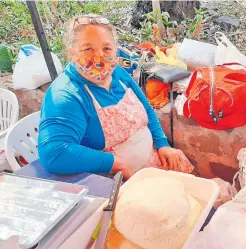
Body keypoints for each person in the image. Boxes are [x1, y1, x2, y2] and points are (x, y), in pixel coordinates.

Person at [37, 14, 193, 178]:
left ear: (115, 51)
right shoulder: (66, 95)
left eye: (106, 48)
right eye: (88, 49)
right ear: (72, 54)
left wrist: (162, 144)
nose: (99, 57)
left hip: (153, 161)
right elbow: (53, 153)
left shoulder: (117, 73)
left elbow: (146, 109)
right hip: (118, 178)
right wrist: (114, 163)